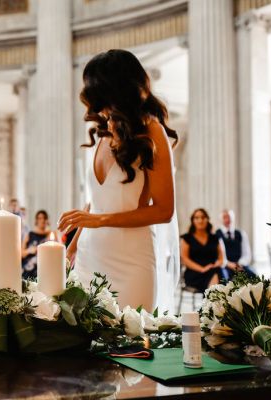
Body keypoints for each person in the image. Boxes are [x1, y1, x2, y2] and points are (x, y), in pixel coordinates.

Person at [58, 49, 179, 311]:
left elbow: (164, 210)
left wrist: (99, 221)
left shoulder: (151, 132)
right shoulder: (102, 133)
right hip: (88, 258)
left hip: (131, 263)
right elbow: (97, 202)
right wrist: (74, 245)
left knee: (129, 347)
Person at [180, 209, 225, 292]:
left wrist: (214, 265)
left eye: (203, 217)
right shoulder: (187, 238)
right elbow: (184, 259)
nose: (200, 220)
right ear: (192, 221)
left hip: (213, 269)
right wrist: (202, 269)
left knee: (217, 272)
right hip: (194, 273)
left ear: (207, 219)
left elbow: (222, 259)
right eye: (196, 218)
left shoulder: (215, 238)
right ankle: (214, 301)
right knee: (217, 278)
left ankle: (212, 301)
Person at [215, 209, 257, 280]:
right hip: (225, 266)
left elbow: (247, 254)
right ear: (221, 219)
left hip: (240, 265)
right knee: (224, 279)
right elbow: (216, 256)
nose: (227, 219)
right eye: (225, 217)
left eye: (229, 217)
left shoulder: (241, 233)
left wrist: (239, 264)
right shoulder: (216, 235)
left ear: (233, 218)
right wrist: (228, 264)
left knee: (254, 277)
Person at [21, 210, 51, 279]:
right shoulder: (30, 234)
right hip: (28, 268)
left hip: (44, 268)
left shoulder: (51, 234)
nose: (42, 220)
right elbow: (21, 253)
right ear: (36, 220)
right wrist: (29, 250)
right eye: (40, 218)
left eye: (45, 218)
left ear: (47, 220)